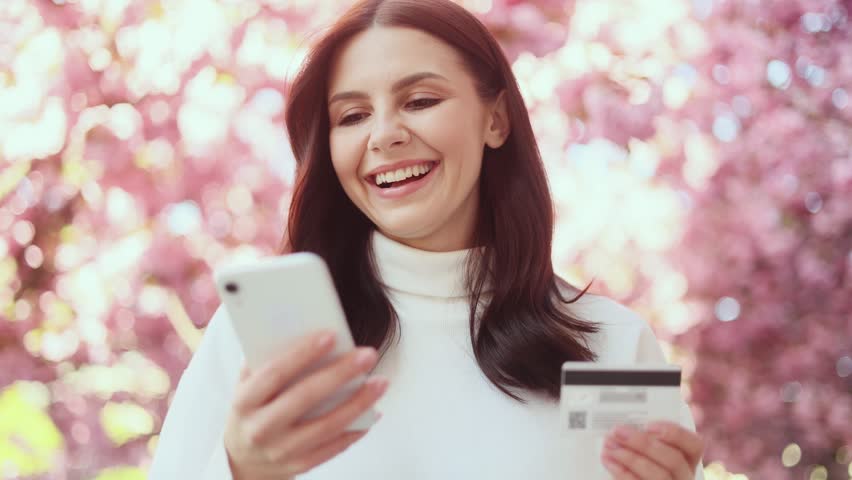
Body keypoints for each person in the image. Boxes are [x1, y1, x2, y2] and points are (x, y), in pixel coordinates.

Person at [148, 0, 706, 478]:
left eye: (419, 101)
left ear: (496, 121)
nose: (384, 135)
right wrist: (240, 469)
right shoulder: (267, 344)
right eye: (353, 115)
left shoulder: (608, 346)